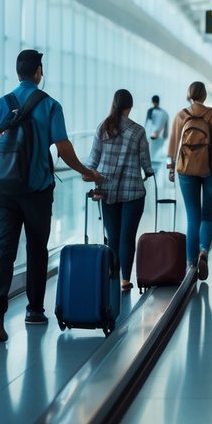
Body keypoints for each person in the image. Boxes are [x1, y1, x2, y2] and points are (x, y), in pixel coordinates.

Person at [0, 49, 98, 341]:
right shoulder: (49, 105)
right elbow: (63, 148)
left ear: (17, 72)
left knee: (3, 249)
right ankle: (34, 310)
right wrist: (87, 171)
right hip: (36, 190)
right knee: (36, 248)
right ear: (38, 72)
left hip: (3, 190)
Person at [86, 89, 154, 292]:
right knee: (127, 236)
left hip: (106, 189)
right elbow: (146, 163)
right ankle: (125, 279)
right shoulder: (138, 131)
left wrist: (91, 174)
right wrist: (149, 172)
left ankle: (112, 277)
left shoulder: (103, 127)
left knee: (112, 235)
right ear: (129, 107)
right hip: (132, 191)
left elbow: (93, 160)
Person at [167, 81, 212, 281]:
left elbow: (172, 145)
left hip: (186, 170)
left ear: (189, 95)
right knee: (207, 216)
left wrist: (171, 168)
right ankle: (204, 250)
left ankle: (191, 263)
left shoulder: (181, 115)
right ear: (204, 95)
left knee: (192, 216)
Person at [144, 95, 169, 166]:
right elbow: (166, 129)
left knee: (152, 158)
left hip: (152, 138)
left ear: (152, 101)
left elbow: (148, 124)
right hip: (160, 139)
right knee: (157, 159)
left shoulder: (151, 111)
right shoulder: (164, 113)